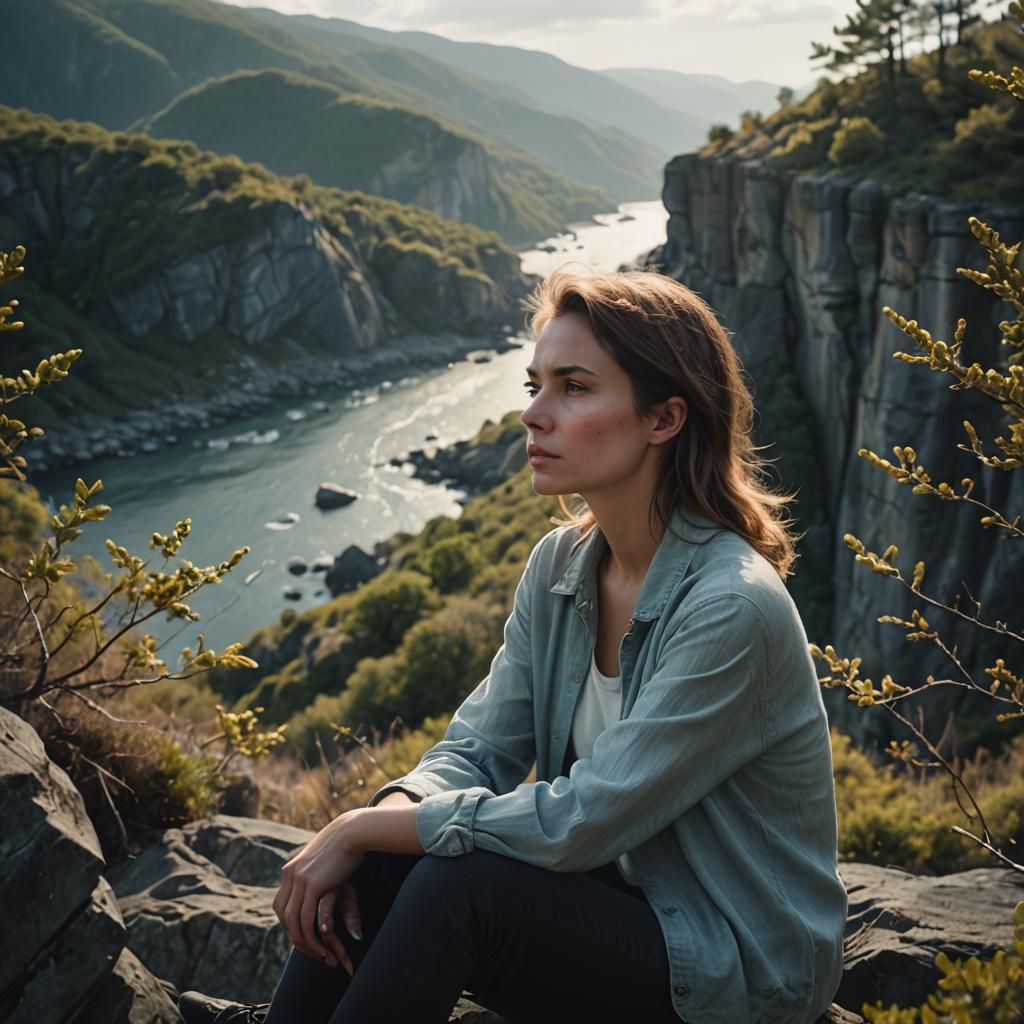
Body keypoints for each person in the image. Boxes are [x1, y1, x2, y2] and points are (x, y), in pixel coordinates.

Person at [179, 267, 848, 1024]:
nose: (533, 413)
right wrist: (387, 816)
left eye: (573, 387)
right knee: (385, 864)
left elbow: (587, 817)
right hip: (625, 906)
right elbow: (475, 748)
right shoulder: (562, 566)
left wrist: (359, 824)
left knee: (456, 886)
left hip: (738, 962)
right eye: (534, 384)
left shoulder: (731, 606)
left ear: (664, 418)